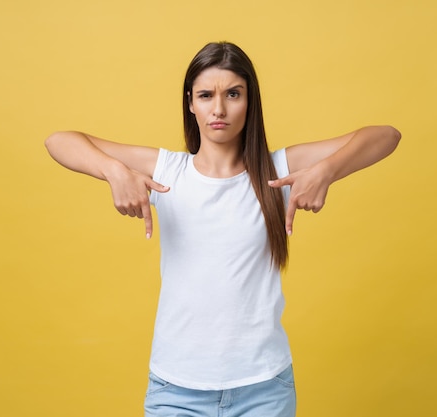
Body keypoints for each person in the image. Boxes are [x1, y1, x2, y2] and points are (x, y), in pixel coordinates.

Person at [45, 41, 400, 417]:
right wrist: (113, 170)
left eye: (233, 94)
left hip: (263, 388)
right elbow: (59, 141)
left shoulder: (276, 172)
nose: (218, 109)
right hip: (175, 390)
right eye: (205, 95)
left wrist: (327, 171)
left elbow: (386, 135)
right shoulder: (168, 172)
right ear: (190, 103)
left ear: (250, 102)